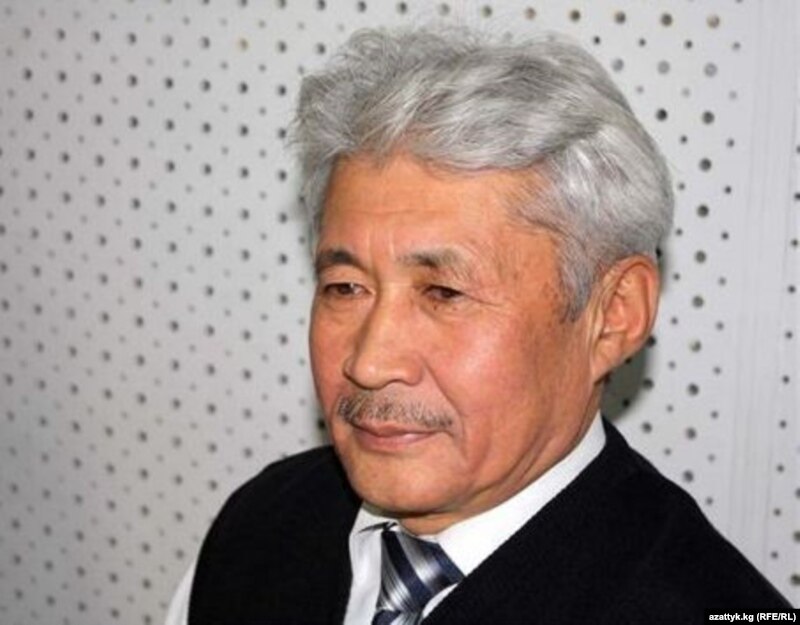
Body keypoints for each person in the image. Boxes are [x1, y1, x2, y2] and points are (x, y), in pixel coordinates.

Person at [165, 26, 791, 624]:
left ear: (612, 316)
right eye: (345, 287)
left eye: (444, 292)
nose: (370, 361)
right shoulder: (257, 531)